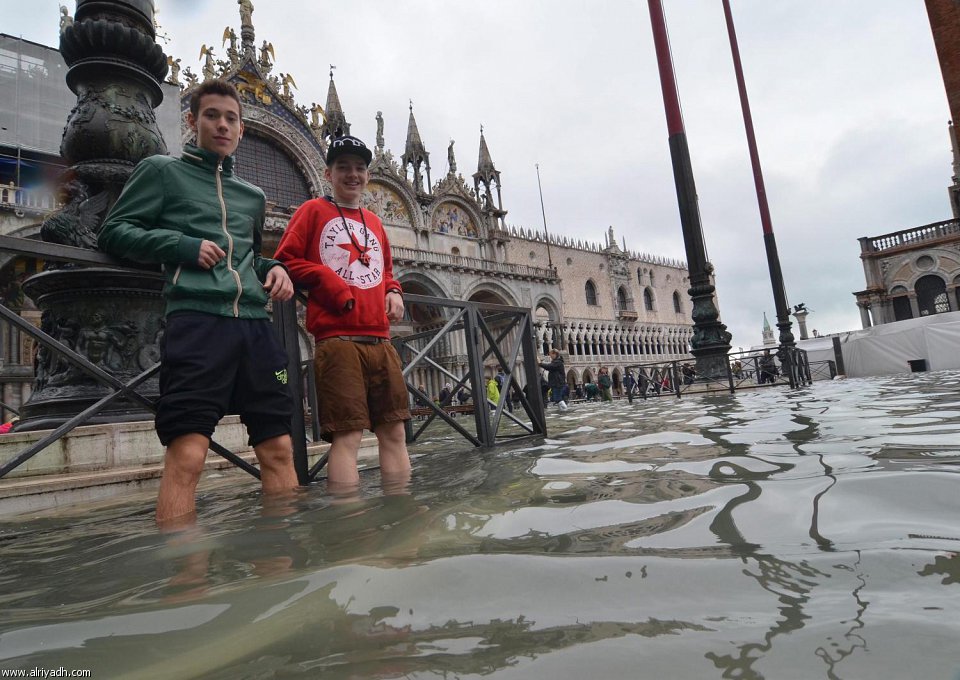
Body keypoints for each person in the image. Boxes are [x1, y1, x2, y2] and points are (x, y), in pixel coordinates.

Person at [98, 79, 299, 525]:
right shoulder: (161, 171)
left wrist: (275, 269)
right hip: (197, 322)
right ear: (193, 122)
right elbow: (114, 231)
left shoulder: (253, 196)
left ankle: (284, 565)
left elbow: (244, 256)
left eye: (231, 119)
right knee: (188, 453)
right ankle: (185, 584)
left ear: (242, 130)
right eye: (212, 116)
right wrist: (182, 245)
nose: (223, 125)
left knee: (279, 449)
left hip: (256, 328)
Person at [274, 134, 411, 488]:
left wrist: (394, 291)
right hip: (338, 341)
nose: (353, 174)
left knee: (394, 431)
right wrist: (328, 281)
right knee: (347, 437)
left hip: (381, 341)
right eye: (343, 167)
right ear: (328, 173)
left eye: (360, 168)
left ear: (367, 175)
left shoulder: (376, 223)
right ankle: (350, 528)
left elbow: (385, 272)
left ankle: (403, 519)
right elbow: (285, 261)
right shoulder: (312, 211)